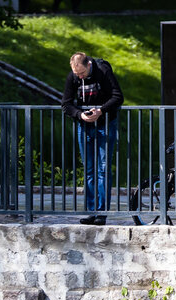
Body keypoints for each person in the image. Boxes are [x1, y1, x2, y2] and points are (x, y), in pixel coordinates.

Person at [61, 52, 124, 226]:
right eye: (77, 74)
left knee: (103, 169)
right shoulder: (73, 77)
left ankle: (102, 212)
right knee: (89, 169)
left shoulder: (103, 70)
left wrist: (101, 111)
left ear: (89, 64)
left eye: (82, 73)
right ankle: (91, 211)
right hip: (85, 126)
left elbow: (118, 96)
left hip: (105, 124)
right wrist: (80, 114)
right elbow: (66, 104)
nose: (79, 77)